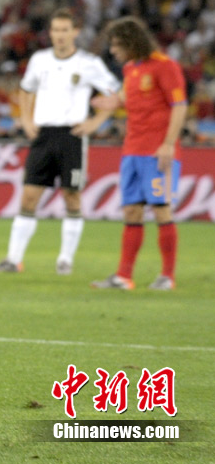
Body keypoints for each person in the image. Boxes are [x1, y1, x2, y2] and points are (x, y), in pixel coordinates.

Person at [0, 8, 120, 276]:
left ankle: (65, 259)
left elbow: (115, 93)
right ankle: (13, 259)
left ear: (75, 32)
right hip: (44, 134)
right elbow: (26, 89)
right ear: (50, 33)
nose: (60, 35)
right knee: (29, 196)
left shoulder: (89, 63)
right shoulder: (40, 60)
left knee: (71, 196)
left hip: (72, 135)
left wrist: (96, 122)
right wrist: (26, 119)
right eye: (56, 30)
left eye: (65, 30)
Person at [90, 16, 187, 291]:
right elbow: (125, 97)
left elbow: (179, 105)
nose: (112, 50)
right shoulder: (131, 68)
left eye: (116, 45)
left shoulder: (165, 66)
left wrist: (168, 144)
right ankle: (123, 276)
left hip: (158, 152)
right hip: (132, 150)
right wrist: (110, 102)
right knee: (131, 210)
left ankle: (167, 276)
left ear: (132, 42)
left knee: (161, 209)